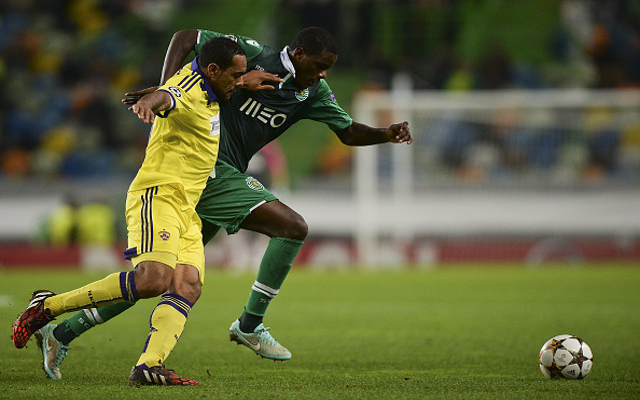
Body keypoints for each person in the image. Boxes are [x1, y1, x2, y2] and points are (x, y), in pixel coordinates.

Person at [34, 27, 412, 380]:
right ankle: (249, 325)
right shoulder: (249, 55)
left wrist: (385, 134)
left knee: (161, 279)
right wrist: (167, 87)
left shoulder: (311, 93)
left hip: (203, 182)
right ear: (298, 54)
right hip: (210, 169)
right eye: (319, 66)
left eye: (329, 70)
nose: (324, 75)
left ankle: (61, 332)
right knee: (292, 227)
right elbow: (186, 38)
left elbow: (346, 132)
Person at [12, 36, 248, 386]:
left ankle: (148, 366)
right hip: (159, 195)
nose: (239, 82)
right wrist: (151, 102)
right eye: (235, 76)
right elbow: (167, 95)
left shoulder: (213, 87)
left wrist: (251, 79)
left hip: (186, 206)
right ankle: (47, 307)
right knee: (153, 280)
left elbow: (190, 84)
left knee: (188, 285)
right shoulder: (190, 86)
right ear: (213, 70)